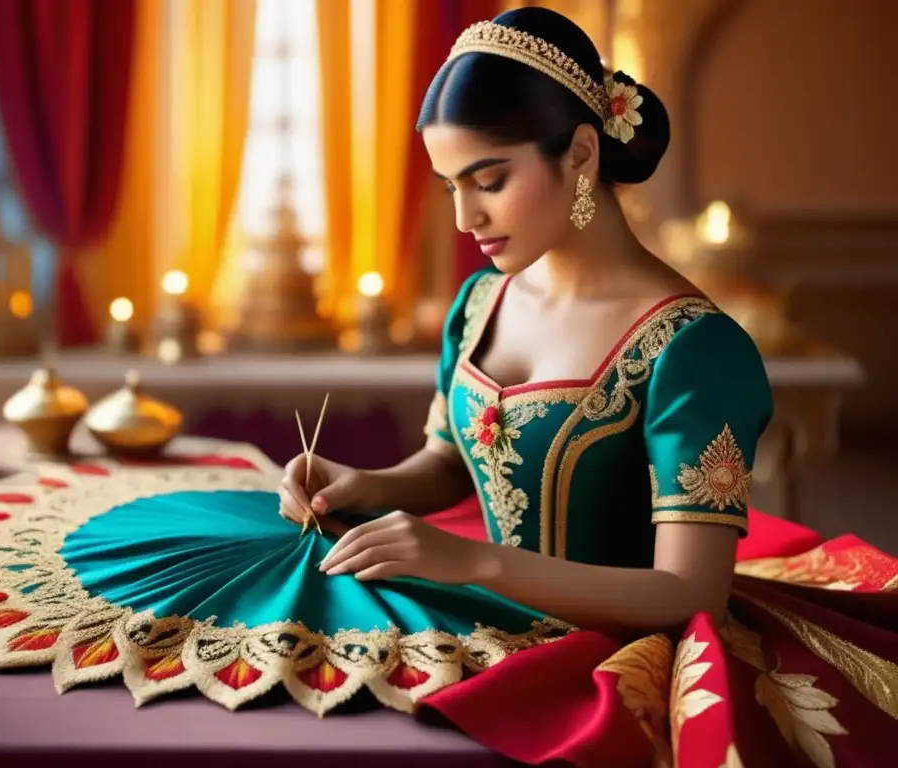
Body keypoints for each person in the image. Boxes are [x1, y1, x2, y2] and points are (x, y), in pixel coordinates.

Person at [273, 6, 898, 766]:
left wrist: (471, 562)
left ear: (578, 154)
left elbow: (689, 591)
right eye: (450, 188)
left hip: (630, 661)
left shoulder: (695, 348)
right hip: (485, 624)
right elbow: (448, 460)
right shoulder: (479, 305)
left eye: (490, 180)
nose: (468, 217)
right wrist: (363, 485)